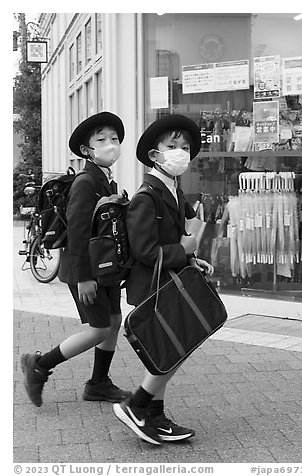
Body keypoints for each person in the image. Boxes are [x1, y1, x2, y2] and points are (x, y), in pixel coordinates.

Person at [113, 114, 214, 445]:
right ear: (154, 156)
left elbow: (172, 239)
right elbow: (145, 250)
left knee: (170, 349)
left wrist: (191, 258)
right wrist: (181, 249)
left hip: (168, 281)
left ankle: (154, 416)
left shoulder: (172, 188)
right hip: (151, 286)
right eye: (172, 146)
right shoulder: (147, 196)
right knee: (172, 349)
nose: (181, 152)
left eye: (185, 146)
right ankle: (137, 405)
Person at [21, 112, 132, 407]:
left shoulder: (105, 179)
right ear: (86, 150)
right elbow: (79, 231)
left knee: (113, 321)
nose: (111, 144)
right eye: (102, 139)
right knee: (98, 329)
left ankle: (98, 384)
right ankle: (40, 365)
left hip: (103, 269)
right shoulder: (86, 181)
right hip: (86, 270)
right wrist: (85, 277)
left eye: (115, 139)